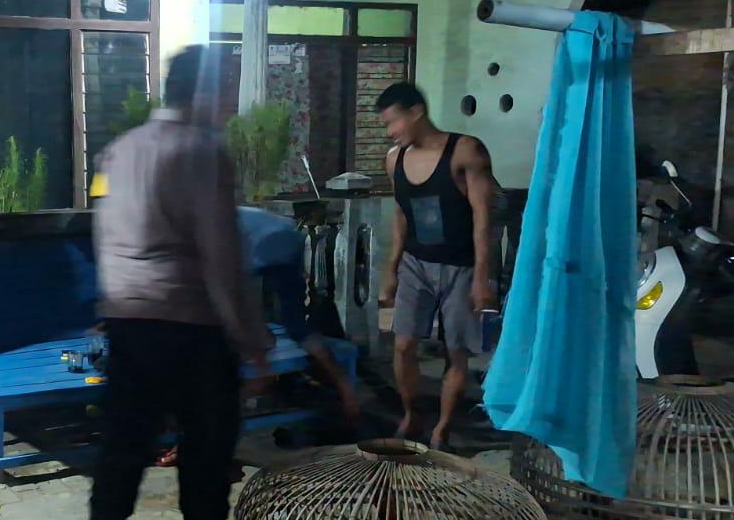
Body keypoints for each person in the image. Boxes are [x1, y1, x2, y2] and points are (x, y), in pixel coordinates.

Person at [90, 44, 270, 520]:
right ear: (204, 93)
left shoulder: (119, 151)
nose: (230, 105)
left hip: (129, 325)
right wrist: (252, 340)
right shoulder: (203, 153)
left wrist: (112, 306)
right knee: (206, 463)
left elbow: (104, 238)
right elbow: (222, 257)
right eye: (226, 91)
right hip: (192, 330)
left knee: (121, 455)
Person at [155, 206, 361, 469]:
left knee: (236, 347)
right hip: (280, 237)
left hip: (268, 245)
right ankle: (345, 393)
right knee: (292, 328)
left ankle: (200, 432)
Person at [375, 82, 497, 451]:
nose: (390, 132)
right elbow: (401, 216)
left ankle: (442, 428)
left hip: (460, 266)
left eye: (393, 122)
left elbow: (483, 219)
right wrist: (391, 270)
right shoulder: (394, 160)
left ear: (416, 113)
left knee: (455, 352)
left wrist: (482, 277)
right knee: (403, 345)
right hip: (416, 264)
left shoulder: (465, 151)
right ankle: (411, 414)